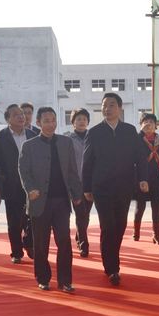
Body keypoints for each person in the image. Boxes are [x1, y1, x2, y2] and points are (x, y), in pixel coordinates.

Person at [82, 92, 148, 286]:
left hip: (124, 186)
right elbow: (87, 162)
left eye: (111, 105)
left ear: (119, 108)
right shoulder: (94, 132)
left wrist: (143, 178)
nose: (107, 108)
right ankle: (112, 268)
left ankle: (112, 259)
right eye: (104, 105)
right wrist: (86, 187)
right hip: (101, 187)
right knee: (107, 225)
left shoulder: (129, 131)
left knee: (120, 225)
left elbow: (140, 157)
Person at [19, 107, 83, 293]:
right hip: (40, 202)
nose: (51, 124)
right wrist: (30, 189)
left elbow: (72, 170)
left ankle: (65, 281)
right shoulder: (29, 146)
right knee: (41, 243)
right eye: (46, 121)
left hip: (62, 201)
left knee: (64, 241)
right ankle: (43, 278)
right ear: (38, 123)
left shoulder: (65, 142)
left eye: (53, 120)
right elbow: (24, 171)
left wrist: (77, 194)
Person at [0, 104, 37, 264]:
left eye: (22, 114)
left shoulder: (33, 134)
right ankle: (16, 252)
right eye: (16, 114)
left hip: (32, 185)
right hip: (11, 185)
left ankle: (29, 243)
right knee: (14, 221)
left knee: (33, 218)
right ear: (8, 119)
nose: (21, 116)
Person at [132, 113, 159, 245]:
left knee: (156, 206)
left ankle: (156, 235)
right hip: (142, 177)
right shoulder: (137, 138)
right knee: (140, 206)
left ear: (155, 125)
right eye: (145, 122)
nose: (149, 124)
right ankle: (136, 232)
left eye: (151, 122)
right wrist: (141, 132)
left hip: (156, 177)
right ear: (141, 124)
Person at [66, 108, 92, 257]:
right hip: (75, 182)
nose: (82, 121)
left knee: (86, 214)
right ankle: (84, 244)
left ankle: (79, 235)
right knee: (80, 213)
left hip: (90, 182)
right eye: (78, 119)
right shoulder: (68, 139)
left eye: (84, 119)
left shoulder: (92, 137)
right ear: (73, 122)